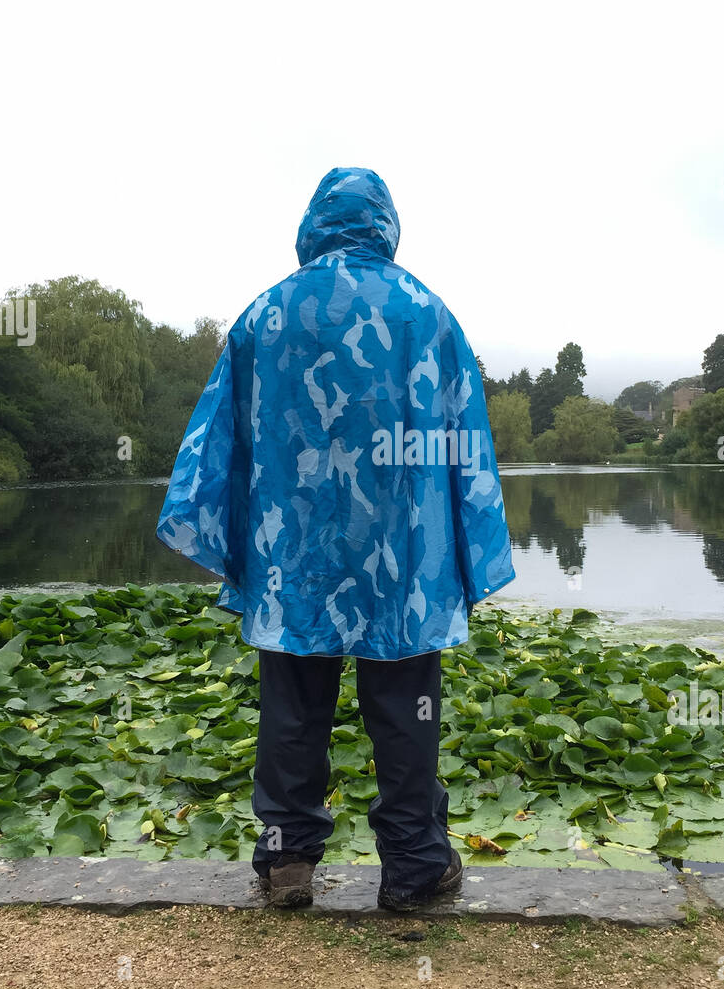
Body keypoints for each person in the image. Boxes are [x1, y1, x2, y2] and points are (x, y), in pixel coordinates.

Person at [157, 167, 514, 910]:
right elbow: (465, 440)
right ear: (385, 223)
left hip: (295, 553)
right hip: (403, 558)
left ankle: (287, 866)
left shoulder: (267, 315)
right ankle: (415, 869)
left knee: (292, 710)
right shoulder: (426, 312)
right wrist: (470, 551)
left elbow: (221, 438)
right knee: (405, 709)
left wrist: (228, 537)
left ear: (312, 223)